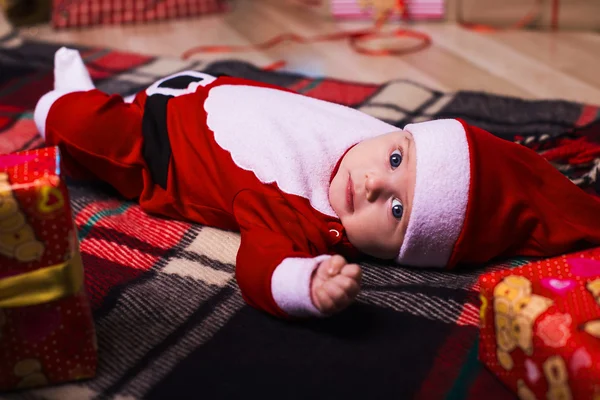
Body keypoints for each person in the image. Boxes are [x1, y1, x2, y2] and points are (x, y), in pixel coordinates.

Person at [34, 47, 600, 319]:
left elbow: (260, 265)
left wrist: (303, 284)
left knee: (86, 127)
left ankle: (59, 102)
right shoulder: (370, 140)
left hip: (153, 151)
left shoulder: (306, 220)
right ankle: (93, 96)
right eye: (399, 160)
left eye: (397, 211)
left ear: (396, 253)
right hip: (196, 91)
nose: (376, 183)